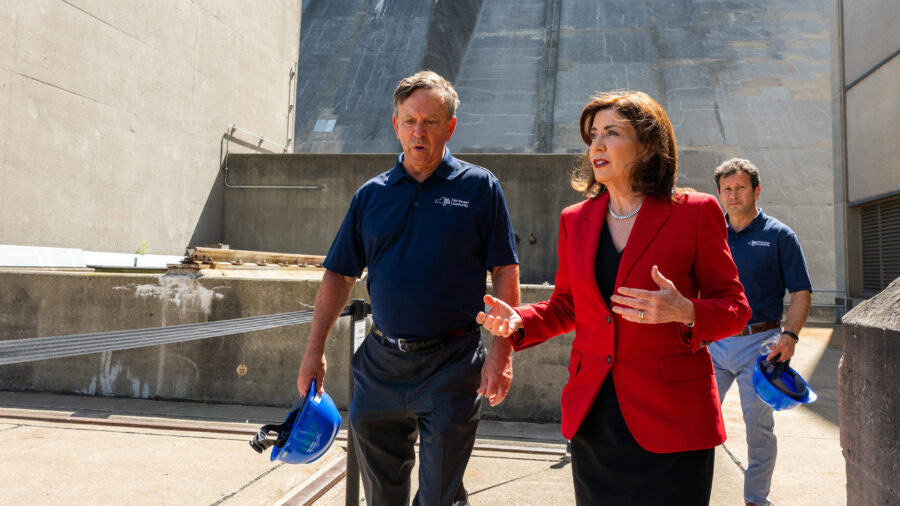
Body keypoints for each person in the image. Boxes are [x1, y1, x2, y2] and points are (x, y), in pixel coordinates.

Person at [477, 90, 751, 505]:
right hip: (595, 417)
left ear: (648, 146)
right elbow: (568, 305)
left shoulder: (696, 211)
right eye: (593, 135)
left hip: (673, 420)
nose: (597, 145)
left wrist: (686, 310)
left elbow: (735, 308)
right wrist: (520, 321)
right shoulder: (576, 220)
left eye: (612, 133)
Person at [295, 70, 520, 506]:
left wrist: (501, 353)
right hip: (380, 366)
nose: (419, 132)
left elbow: (505, 272)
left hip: (453, 364)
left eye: (431, 122)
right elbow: (340, 275)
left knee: (439, 496)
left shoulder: (479, 187)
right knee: (382, 496)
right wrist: (313, 350)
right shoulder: (370, 195)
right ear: (395, 124)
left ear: (450, 126)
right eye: (409, 121)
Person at [711, 158, 813, 506]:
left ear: (756, 190)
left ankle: (756, 499)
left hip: (760, 345)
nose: (733, 195)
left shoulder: (780, 236)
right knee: (694, 420)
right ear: (719, 194)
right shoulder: (711, 233)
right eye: (726, 189)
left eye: (740, 187)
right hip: (713, 344)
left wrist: (791, 335)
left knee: (758, 429)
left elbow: (800, 290)